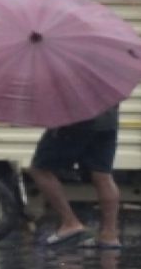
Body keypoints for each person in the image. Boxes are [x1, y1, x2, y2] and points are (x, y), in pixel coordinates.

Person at [28, 105, 121, 249]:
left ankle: (70, 223)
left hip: (76, 119)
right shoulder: (109, 81)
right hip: (108, 120)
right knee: (102, 176)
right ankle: (109, 235)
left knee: (40, 169)